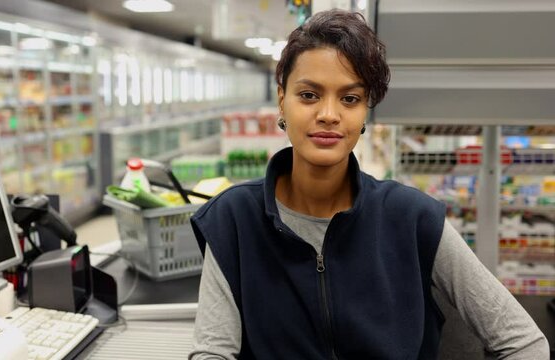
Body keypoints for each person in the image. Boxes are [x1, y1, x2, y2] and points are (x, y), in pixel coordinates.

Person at [188, 9, 549, 360]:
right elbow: (212, 352)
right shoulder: (233, 220)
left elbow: (524, 343)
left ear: (365, 111)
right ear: (282, 100)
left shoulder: (412, 218)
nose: (329, 114)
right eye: (309, 95)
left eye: (350, 98)